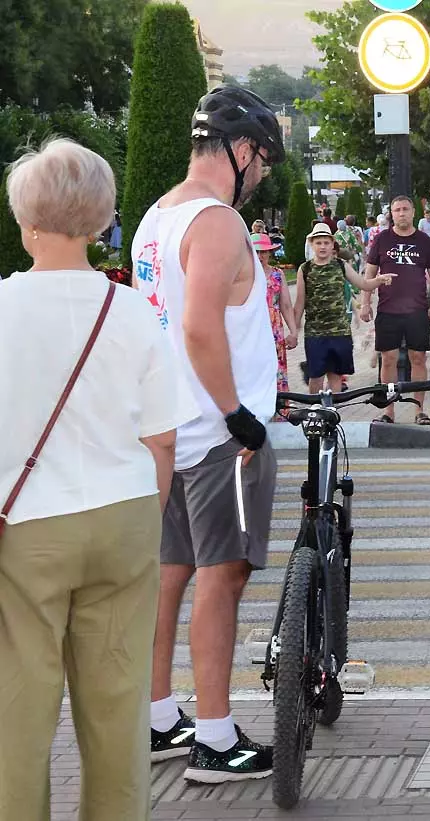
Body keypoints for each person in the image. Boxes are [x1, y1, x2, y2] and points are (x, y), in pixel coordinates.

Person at [0, 139, 196, 821]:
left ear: (24, 220)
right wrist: (148, 513)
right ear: (103, 220)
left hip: (25, 525)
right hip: (125, 513)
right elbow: (163, 437)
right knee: (117, 705)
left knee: (17, 707)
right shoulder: (134, 311)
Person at [131, 85, 285, 782]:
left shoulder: (155, 216)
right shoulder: (218, 222)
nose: (262, 176)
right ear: (242, 149)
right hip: (220, 436)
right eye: (264, 162)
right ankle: (217, 739)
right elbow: (198, 327)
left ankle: (158, 718)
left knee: (169, 575)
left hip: (166, 430)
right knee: (223, 579)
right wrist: (237, 414)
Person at [361, 195, 430, 424]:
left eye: (405, 209)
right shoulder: (382, 239)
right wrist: (365, 302)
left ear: (413, 212)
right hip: (388, 309)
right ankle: (389, 411)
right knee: (388, 360)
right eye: (397, 210)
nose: (402, 213)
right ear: (392, 214)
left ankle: (419, 410)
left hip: (417, 310)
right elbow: (369, 272)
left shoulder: (424, 241)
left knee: (418, 358)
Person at [296, 222, 390, 394]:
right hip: (315, 333)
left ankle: (334, 407)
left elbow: (363, 284)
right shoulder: (305, 269)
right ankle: (315, 407)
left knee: (336, 376)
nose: (322, 246)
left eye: (326, 242)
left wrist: (379, 280)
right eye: (318, 243)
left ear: (332, 244)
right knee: (316, 376)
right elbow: (300, 302)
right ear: (312, 244)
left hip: (340, 332)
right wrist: (294, 330)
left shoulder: (341, 265)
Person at [253, 232, 297, 401]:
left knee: (276, 368)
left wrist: (293, 331)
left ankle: (279, 408)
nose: (260, 256)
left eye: (263, 252)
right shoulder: (242, 276)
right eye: (256, 251)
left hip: (274, 330)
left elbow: (285, 305)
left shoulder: (277, 274)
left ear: (270, 253)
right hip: (253, 328)